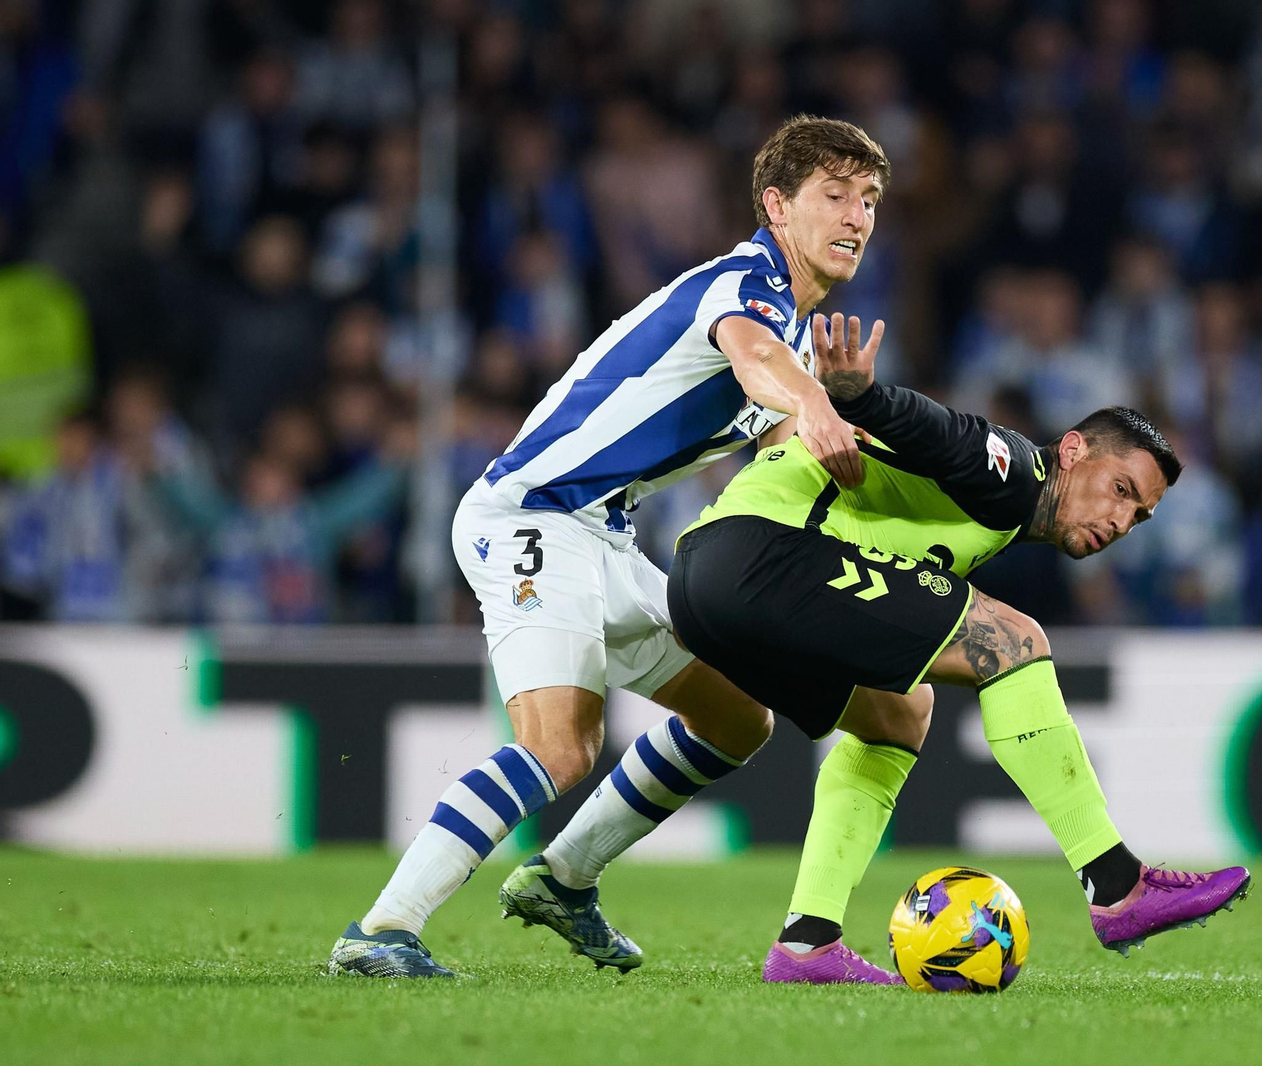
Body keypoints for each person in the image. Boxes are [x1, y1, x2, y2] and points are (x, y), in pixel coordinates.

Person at [327, 115, 916, 977]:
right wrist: (816, 405)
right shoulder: (745, 284)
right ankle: (382, 930)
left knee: (734, 715)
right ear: (776, 206)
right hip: (530, 515)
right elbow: (752, 357)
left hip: (602, 536)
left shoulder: (795, 337)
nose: (858, 216)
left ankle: (564, 879)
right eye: (835, 195)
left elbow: (768, 454)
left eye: (868, 199)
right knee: (559, 745)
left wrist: (841, 431)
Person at [666, 314, 1251, 982]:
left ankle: (807, 942)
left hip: (702, 586)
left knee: (901, 713)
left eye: (1138, 514)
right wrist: (861, 397)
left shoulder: (1005, 519)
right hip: (762, 553)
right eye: (1120, 489)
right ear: (1071, 452)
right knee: (1011, 640)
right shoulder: (1015, 470)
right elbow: (941, 432)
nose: (1120, 521)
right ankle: (1117, 884)